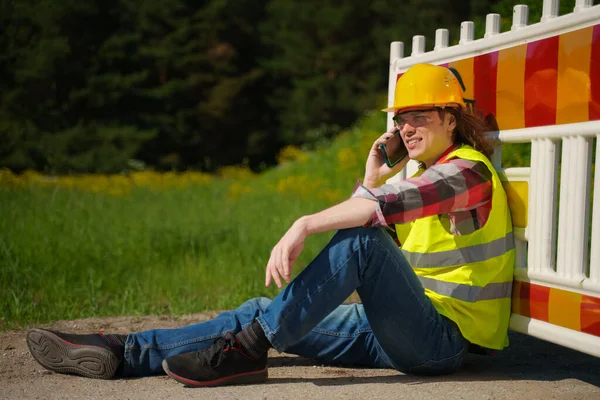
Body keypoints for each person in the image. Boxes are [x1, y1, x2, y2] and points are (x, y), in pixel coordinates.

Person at [27, 63, 514, 387]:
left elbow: (369, 227)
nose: (406, 129)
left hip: (443, 341)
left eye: (419, 116)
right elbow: (378, 236)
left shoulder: (466, 171)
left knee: (358, 243)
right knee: (263, 310)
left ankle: (249, 351)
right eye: (400, 119)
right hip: (403, 328)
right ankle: (123, 351)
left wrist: (303, 224)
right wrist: (369, 178)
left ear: (451, 119)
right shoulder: (430, 175)